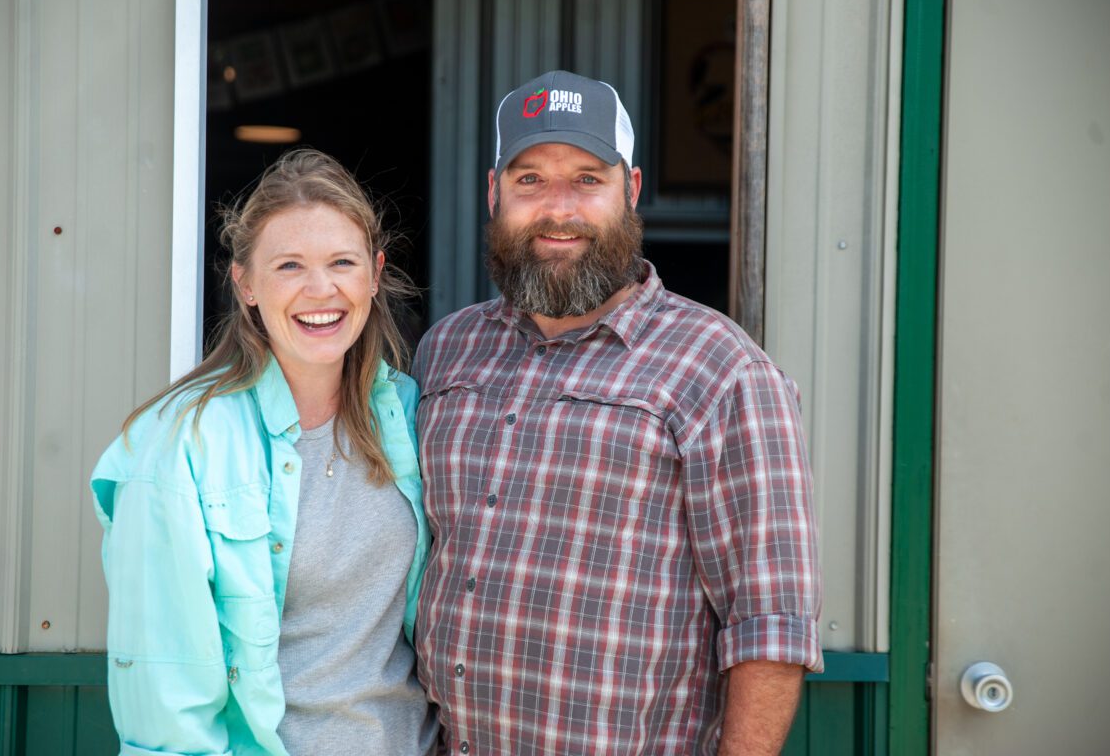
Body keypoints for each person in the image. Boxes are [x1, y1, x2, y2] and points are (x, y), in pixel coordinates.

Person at [412, 70, 823, 755]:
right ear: (494, 193)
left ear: (630, 191)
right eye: (529, 181)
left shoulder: (722, 370)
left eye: (587, 179)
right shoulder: (447, 351)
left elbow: (771, 626)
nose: (558, 209)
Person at [90, 149, 438, 756]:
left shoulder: (404, 412)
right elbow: (168, 712)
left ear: (375, 273)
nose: (320, 288)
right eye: (289, 266)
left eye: (341, 262)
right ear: (245, 283)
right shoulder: (179, 445)